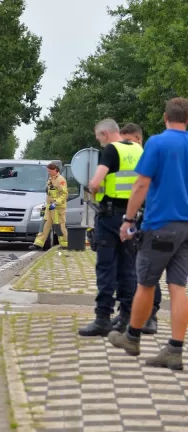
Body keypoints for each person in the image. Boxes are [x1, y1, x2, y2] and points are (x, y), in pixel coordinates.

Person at [109, 98, 188, 369]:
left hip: (160, 225)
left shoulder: (156, 143)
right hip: (186, 228)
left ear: (166, 117)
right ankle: (174, 350)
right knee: (178, 287)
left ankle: (132, 338)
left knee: (146, 283)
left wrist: (128, 219)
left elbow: (141, 183)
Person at [77, 118, 142, 337]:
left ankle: (103, 318)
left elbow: (95, 183)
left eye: (99, 138)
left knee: (106, 268)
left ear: (105, 134)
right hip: (132, 217)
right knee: (128, 268)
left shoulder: (111, 150)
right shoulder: (137, 149)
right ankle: (126, 317)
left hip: (109, 216)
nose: (100, 143)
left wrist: (94, 193)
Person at [111, 122, 159, 334]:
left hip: (149, 218)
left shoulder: (151, 155)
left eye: (129, 141)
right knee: (130, 267)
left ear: (139, 139)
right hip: (133, 216)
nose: (125, 146)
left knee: (148, 269)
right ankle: (127, 312)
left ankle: (151, 315)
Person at [28, 163, 69, 251]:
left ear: (55, 170)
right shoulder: (51, 179)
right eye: (48, 171)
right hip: (50, 206)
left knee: (59, 226)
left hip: (57, 208)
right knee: (45, 224)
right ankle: (38, 243)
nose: (49, 173)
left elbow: (64, 194)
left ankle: (65, 244)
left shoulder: (61, 180)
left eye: (50, 171)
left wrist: (56, 203)